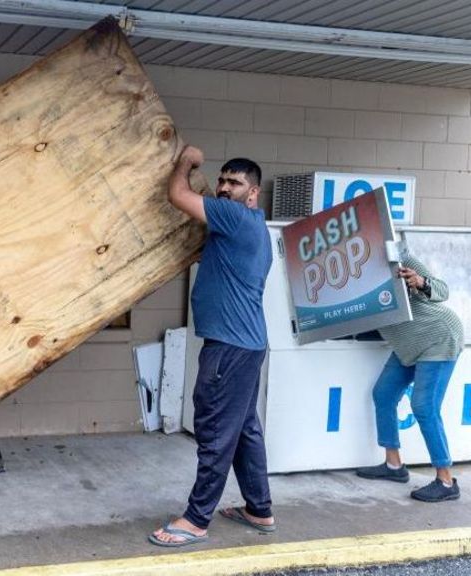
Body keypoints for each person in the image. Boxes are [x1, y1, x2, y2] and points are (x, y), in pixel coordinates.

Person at [149, 146, 275, 547]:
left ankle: (196, 519)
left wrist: (186, 161)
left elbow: (177, 196)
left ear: (252, 193)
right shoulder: (242, 227)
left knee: (216, 431)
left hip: (230, 348)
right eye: (221, 180)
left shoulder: (235, 217)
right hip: (245, 345)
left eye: (234, 183)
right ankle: (259, 509)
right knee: (244, 431)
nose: (223, 187)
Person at [355, 255, 463, 502]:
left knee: (424, 407)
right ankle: (394, 466)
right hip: (408, 345)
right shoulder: (351, 277)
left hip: (438, 337)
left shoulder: (398, 257)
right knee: (383, 394)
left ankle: (446, 481)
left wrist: (420, 282)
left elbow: (442, 290)